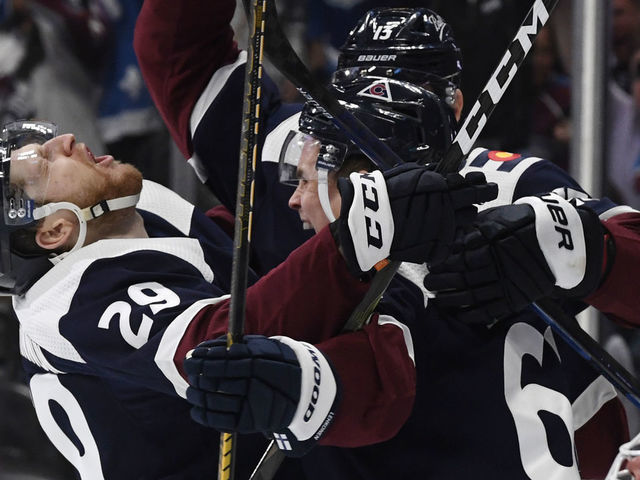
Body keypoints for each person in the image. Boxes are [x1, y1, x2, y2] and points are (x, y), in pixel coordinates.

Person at [173, 6, 640, 480]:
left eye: (307, 177)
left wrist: (570, 243)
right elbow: (379, 372)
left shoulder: (513, 186)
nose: (294, 197)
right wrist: (299, 384)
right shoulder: (308, 171)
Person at [2, 118, 492, 479]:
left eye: (47, 141)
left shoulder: (133, 208)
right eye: (44, 163)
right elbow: (223, 349)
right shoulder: (71, 303)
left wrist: (335, 200)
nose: (64, 141)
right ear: (56, 231)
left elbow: (246, 263)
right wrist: (357, 235)